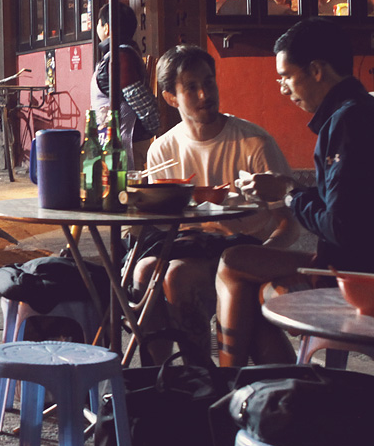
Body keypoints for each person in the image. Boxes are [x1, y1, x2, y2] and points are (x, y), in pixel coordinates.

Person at [216, 18, 374, 366]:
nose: (283, 88)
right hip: (353, 266)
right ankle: (276, 385)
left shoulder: (347, 121)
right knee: (248, 279)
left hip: (355, 278)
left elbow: (342, 228)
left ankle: (234, 385)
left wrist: (289, 192)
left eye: (286, 76)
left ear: (316, 70)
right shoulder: (361, 110)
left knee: (233, 264)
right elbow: (348, 206)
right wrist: (295, 191)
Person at [131, 45, 297, 360]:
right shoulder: (162, 151)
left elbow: (289, 224)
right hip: (185, 245)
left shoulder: (254, 143)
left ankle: (200, 372)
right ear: (171, 97)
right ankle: (156, 375)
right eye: (191, 87)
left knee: (177, 275)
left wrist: (257, 257)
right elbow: (156, 223)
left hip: (240, 251)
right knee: (143, 271)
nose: (205, 93)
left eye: (209, 82)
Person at [92, 2, 160, 168]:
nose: (97, 28)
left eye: (98, 23)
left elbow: (139, 98)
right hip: (114, 141)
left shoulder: (120, 56)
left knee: (127, 192)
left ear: (106, 27)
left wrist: (153, 129)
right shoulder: (118, 54)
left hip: (125, 144)